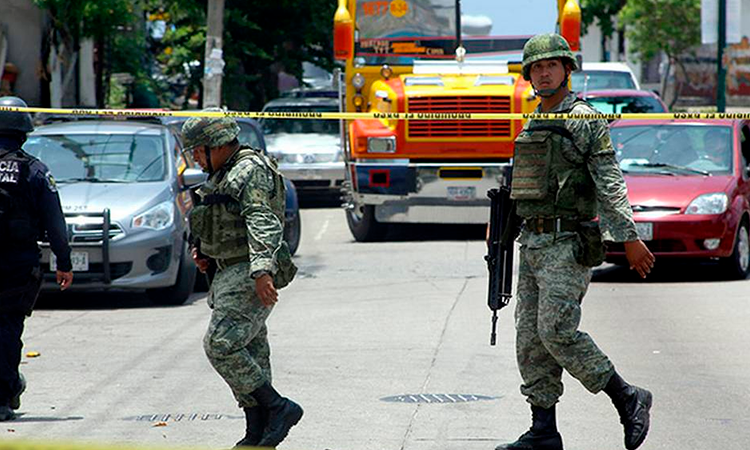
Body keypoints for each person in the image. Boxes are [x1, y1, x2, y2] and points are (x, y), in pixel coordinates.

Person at [496, 34, 656, 450]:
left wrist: (629, 237)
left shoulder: (583, 118)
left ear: (567, 69)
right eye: (536, 67)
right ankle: (543, 432)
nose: (543, 72)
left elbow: (609, 181)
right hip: (532, 242)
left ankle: (627, 397)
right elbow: (524, 184)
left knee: (557, 330)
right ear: (529, 75)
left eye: (551, 65)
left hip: (567, 242)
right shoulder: (534, 120)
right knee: (530, 339)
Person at [182, 111, 302, 448]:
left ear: (216, 145)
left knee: (220, 345)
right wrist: (202, 249)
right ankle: (258, 431)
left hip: (247, 270)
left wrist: (262, 271)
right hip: (226, 270)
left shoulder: (250, 170)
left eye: (197, 150)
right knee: (251, 349)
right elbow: (216, 217)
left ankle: (280, 408)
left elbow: (262, 221)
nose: (194, 157)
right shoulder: (223, 172)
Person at [0, 96, 73, 421]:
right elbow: (55, 222)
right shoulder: (34, 171)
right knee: (7, 328)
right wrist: (64, 261)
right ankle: (4, 395)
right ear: (25, 131)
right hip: (17, 265)